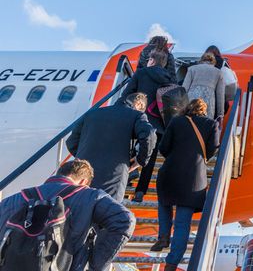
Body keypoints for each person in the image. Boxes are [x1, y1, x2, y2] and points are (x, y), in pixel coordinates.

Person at [0, 159, 135, 271]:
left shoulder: (12, 200)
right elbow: (125, 220)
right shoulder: (90, 196)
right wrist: (95, 265)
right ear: (83, 182)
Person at [151, 99, 220, 271]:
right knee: (183, 223)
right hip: (194, 178)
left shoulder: (177, 121)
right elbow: (212, 149)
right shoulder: (211, 125)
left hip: (171, 171)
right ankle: (172, 263)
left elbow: (164, 147)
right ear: (204, 110)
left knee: (164, 202)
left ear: (188, 108)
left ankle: (164, 235)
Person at [65, 92, 156, 201]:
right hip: (113, 177)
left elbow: (71, 141)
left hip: (83, 174)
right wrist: (140, 160)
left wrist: (86, 157)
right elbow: (149, 134)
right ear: (139, 105)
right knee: (107, 212)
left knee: (79, 210)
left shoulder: (92, 113)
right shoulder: (136, 115)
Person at [122, 50, 174, 201]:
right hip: (159, 124)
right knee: (149, 157)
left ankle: (126, 180)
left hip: (139, 118)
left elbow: (127, 94)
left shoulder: (141, 73)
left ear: (151, 60)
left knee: (130, 149)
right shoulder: (169, 78)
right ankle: (141, 191)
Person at [182, 52, 225, 120]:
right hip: (208, 102)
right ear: (213, 62)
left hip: (192, 100)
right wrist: (220, 114)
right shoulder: (219, 73)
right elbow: (220, 95)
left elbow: (184, 88)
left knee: (189, 123)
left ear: (201, 60)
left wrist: (181, 108)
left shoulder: (192, 69)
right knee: (205, 125)